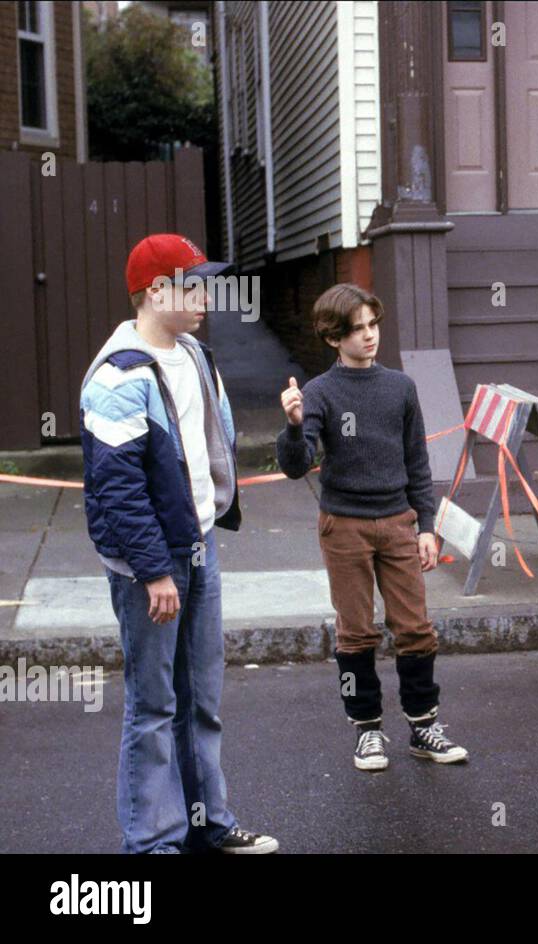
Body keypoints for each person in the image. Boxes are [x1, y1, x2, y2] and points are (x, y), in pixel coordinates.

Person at [80, 233, 278, 853]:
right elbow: (116, 488)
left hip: (198, 548)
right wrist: (152, 571)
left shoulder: (194, 354)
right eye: (192, 284)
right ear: (153, 291)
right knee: (154, 706)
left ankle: (207, 824)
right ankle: (152, 844)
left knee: (203, 701)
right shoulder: (119, 374)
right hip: (153, 566)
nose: (205, 295)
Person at [276, 283, 467, 771]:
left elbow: (417, 461)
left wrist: (427, 524)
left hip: (399, 522)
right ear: (333, 337)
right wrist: (295, 425)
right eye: (356, 329)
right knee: (356, 633)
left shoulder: (400, 387)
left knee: (416, 628)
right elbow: (298, 466)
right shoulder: (319, 392)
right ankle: (367, 731)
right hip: (345, 527)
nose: (368, 336)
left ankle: (424, 725)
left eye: (372, 325)